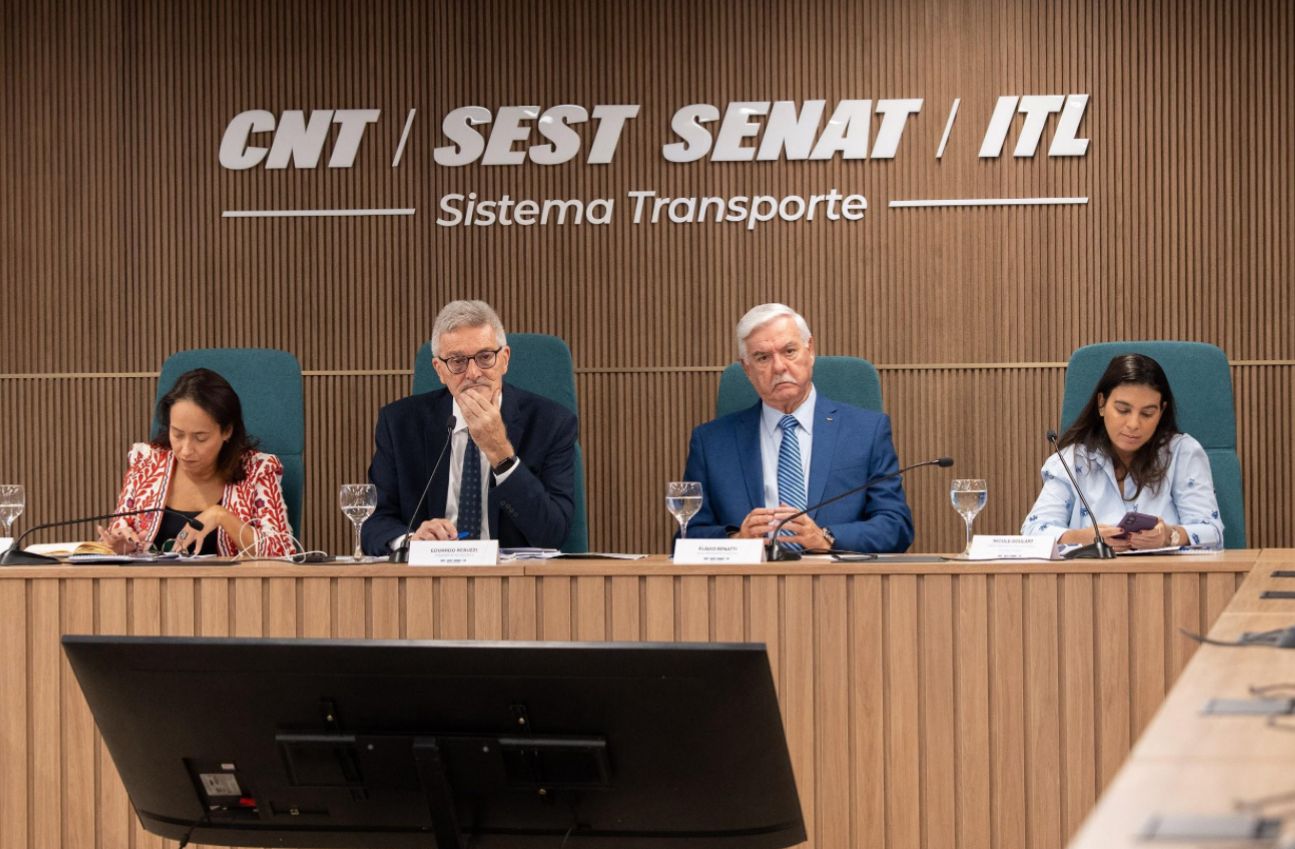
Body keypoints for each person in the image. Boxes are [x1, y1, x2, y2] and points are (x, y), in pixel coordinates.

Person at [682, 303, 914, 553]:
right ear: (747, 369)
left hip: (836, 575)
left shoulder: (866, 432)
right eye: (762, 358)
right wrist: (736, 541)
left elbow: (896, 526)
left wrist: (826, 538)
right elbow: (687, 535)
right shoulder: (711, 443)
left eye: (789, 351)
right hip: (749, 575)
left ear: (810, 350)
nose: (779, 367)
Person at [362, 300, 577, 554]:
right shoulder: (399, 424)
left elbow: (553, 533)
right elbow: (373, 523)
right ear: (440, 370)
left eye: (485, 357)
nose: (473, 373)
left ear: (504, 360)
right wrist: (410, 541)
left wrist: (501, 453)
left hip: (513, 575)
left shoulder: (552, 423)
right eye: (458, 361)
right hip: (430, 573)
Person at [1021, 353, 1224, 550]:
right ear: (1101, 404)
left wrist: (1170, 536)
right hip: (1091, 573)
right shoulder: (1072, 461)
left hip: (1168, 573)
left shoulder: (1182, 453)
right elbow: (1033, 532)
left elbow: (1212, 532)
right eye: (1123, 410)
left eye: (1147, 413)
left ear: (1161, 411)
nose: (1134, 424)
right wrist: (1084, 538)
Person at [99, 368, 294, 557]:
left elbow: (283, 551)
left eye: (200, 438)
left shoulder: (257, 470)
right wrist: (120, 548)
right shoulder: (147, 463)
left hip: (232, 581)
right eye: (177, 434)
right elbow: (115, 534)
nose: (186, 450)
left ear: (227, 431)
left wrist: (221, 516)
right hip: (153, 581)